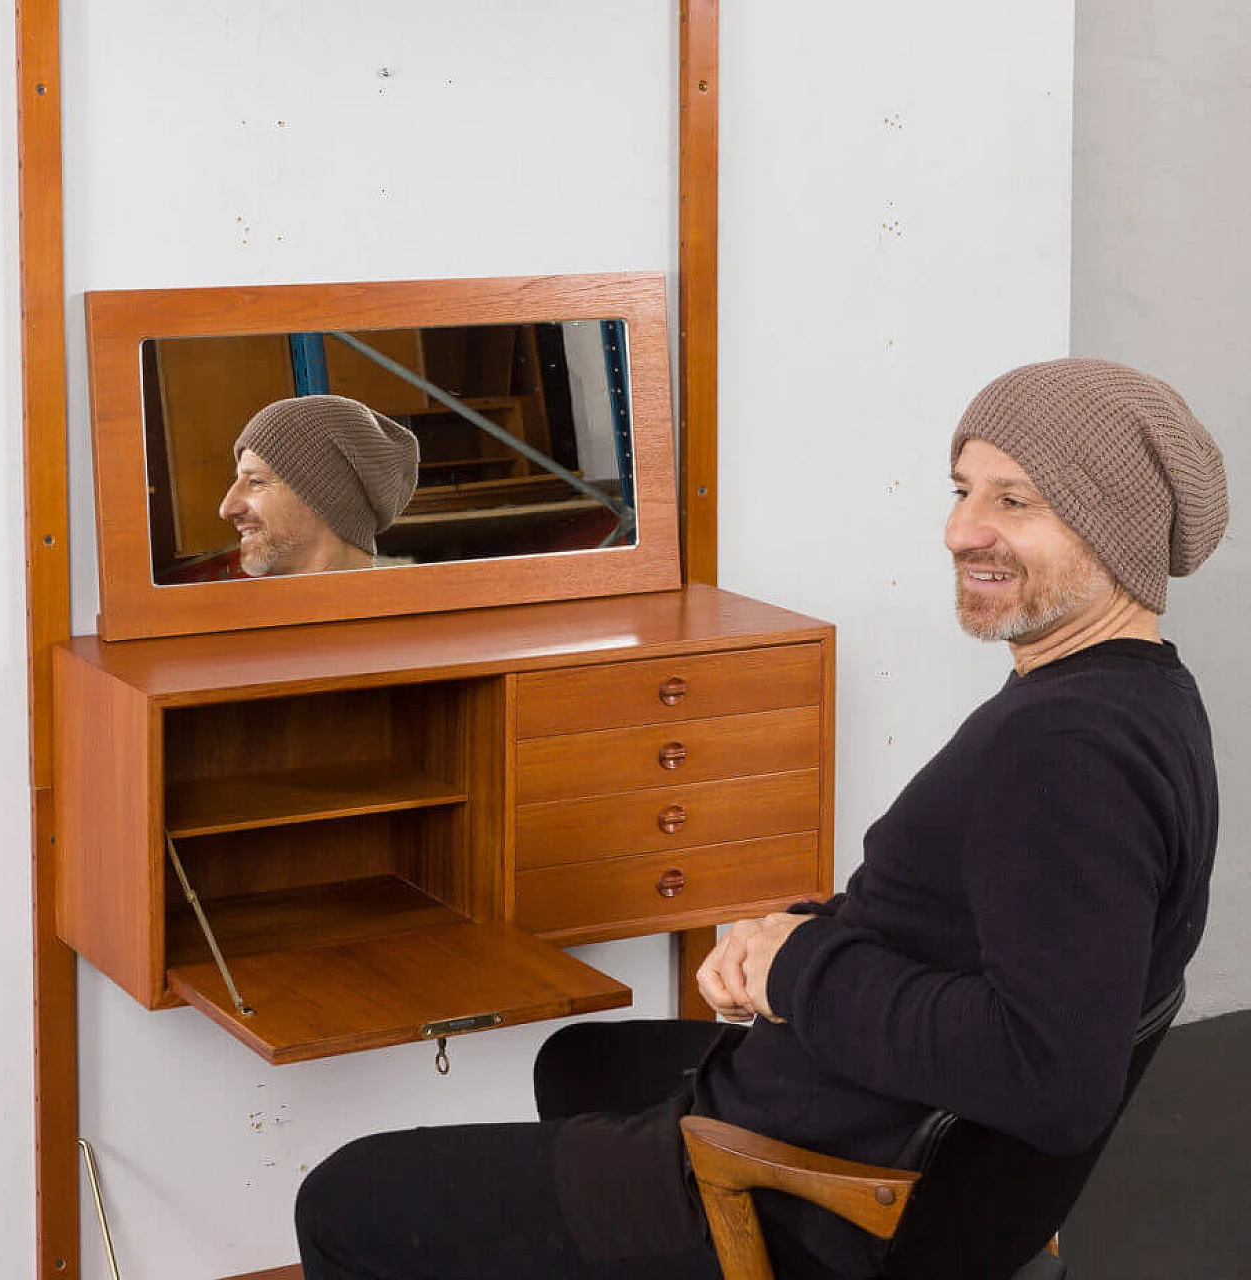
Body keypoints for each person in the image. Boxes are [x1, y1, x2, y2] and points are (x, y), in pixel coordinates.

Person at [294, 359, 1227, 1280]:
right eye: (961, 490)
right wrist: (792, 937)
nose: (958, 530)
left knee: (342, 1200)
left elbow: (1050, 1078)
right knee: (578, 1062)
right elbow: (968, 934)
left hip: (801, 1198)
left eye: (1014, 501)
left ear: (1116, 531)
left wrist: (798, 966)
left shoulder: (1066, 754)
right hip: (860, 1116)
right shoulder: (1138, 699)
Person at [218, 394, 419, 577]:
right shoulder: (247, 615)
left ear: (331, 497)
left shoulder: (403, 613)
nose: (226, 509)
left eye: (256, 482)